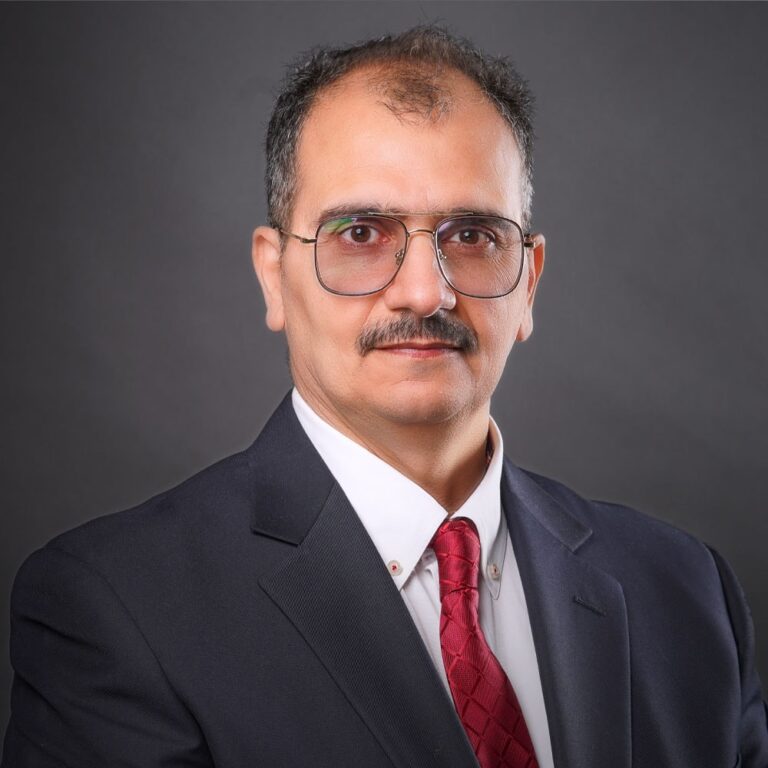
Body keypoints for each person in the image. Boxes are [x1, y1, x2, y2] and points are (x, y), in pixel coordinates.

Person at [2, 25, 766, 768]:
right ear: (274, 276)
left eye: (472, 235)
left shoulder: (687, 593)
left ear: (528, 282)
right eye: (361, 233)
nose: (425, 292)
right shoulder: (118, 606)